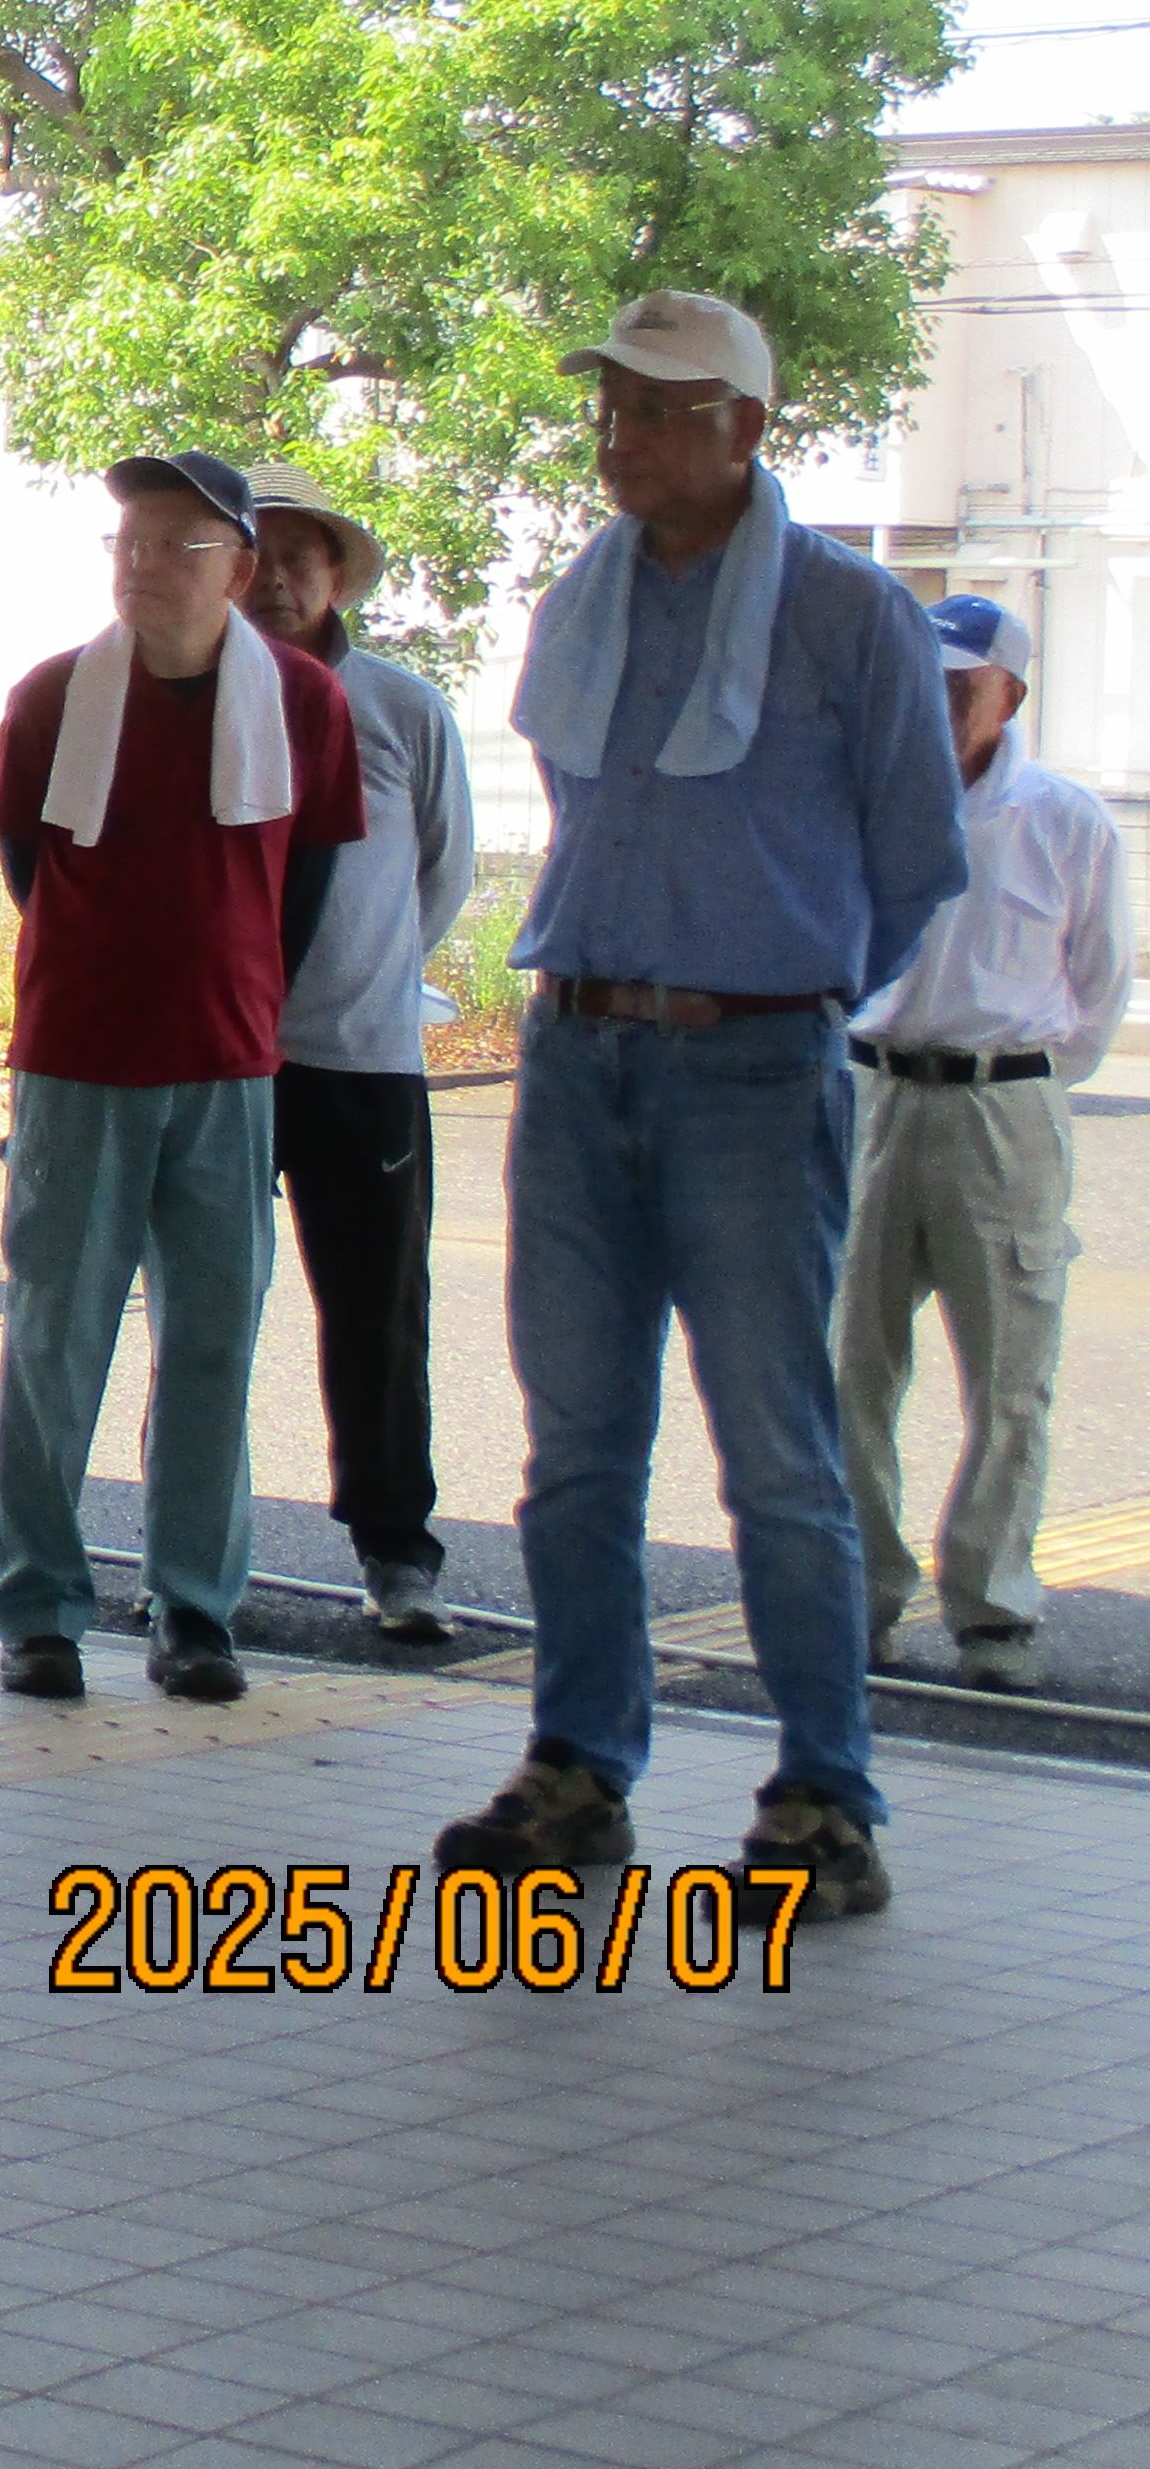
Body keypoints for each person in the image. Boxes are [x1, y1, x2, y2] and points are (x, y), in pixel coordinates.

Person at [432, 293, 964, 1925]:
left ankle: (823, 1794)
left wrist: (780, 995)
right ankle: (577, 1766)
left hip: (752, 1065)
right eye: (610, 405)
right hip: (574, 1058)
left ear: (745, 426)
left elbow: (914, 862)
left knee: (776, 1456)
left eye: (659, 409)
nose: (620, 435)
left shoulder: (849, 612)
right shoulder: (578, 600)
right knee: (573, 1453)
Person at [0, 453, 365, 1705]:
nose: (140, 566)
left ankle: (194, 1608)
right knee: (56, 1340)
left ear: (237, 571)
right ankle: (36, 1605)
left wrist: (235, 994)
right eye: (126, 543)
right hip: (79, 1059)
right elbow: (28, 867)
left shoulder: (303, 704)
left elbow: (300, 889)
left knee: (211, 1346)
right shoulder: (49, 699)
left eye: (174, 546)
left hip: (227, 1067)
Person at [837, 596, 1126, 1695]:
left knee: (1008, 1373)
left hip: (1002, 1110)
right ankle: (860, 1592)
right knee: (845, 1366)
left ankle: (991, 1605)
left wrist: (1017, 1075)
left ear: (1012, 692)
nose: (940, 697)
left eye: (964, 681)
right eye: (926, 676)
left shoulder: (1063, 819)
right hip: (870, 1096)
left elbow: (1096, 994)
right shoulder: (867, 794)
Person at [238, 466, 480, 1641]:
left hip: (366, 1060)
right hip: (218, 1061)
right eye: (257, 552)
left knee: (378, 1314)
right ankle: (194, 1550)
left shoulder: (403, 708)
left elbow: (442, 873)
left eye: (303, 556)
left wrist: (367, 972)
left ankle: (396, 1551)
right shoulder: (186, 695)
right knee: (203, 1309)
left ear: (337, 578)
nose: (278, 578)